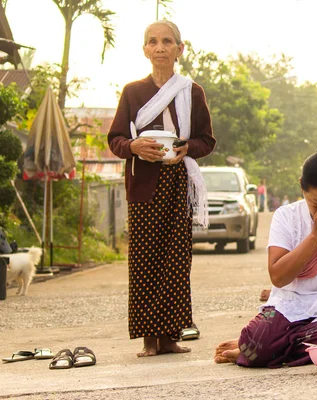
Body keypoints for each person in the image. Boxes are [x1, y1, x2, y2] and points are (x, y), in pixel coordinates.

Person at [214, 144, 317, 368]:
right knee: (263, 340)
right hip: (289, 309)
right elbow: (278, 277)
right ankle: (265, 345)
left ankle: (264, 348)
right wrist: (315, 235)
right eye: (316, 202)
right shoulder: (286, 216)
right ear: (302, 188)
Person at [107, 20, 216, 357]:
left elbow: (206, 140)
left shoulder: (191, 91)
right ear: (144, 50)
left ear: (180, 50)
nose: (159, 48)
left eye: (167, 41)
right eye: (152, 42)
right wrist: (134, 147)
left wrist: (186, 149)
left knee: (176, 260)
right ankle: (148, 339)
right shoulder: (132, 92)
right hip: (143, 186)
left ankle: (170, 337)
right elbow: (115, 140)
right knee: (143, 260)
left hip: (178, 184)